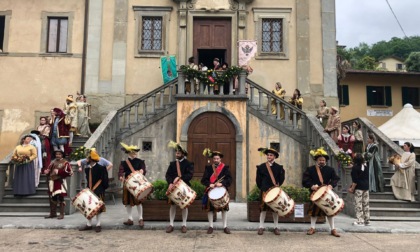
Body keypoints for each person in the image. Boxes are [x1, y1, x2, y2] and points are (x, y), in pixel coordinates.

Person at [302, 147, 341, 237]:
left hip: (327, 193)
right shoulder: (310, 169)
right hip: (315, 194)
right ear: (316, 160)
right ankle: (312, 228)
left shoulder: (330, 169)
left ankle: (333, 229)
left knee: (330, 211)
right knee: (313, 212)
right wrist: (312, 186)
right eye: (320, 160)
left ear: (325, 161)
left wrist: (331, 185)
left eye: (323, 160)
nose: (321, 161)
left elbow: (336, 179)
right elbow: (305, 180)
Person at [165, 141, 194, 233]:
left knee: (184, 206)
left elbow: (190, 175)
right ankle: (171, 224)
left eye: (178, 152)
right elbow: (168, 175)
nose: (177, 153)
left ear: (183, 154)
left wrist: (180, 178)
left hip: (184, 187)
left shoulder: (188, 163)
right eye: (176, 152)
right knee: (172, 206)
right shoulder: (172, 164)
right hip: (173, 187)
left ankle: (184, 225)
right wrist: (170, 182)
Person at [201, 150, 232, 234]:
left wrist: (222, 183)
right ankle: (211, 226)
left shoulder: (225, 168)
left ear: (220, 159)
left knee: (224, 209)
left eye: (217, 158)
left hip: (222, 191)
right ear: (213, 159)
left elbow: (229, 179)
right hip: (211, 191)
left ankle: (225, 226)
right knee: (210, 209)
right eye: (214, 158)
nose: (216, 160)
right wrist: (209, 184)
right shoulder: (208, 168)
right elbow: (203, 180)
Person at [256, 147, 285, 235]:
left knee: (275, 209)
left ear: (275, 157)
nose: (269, 156)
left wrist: (277, 186)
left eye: (271, 155)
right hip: (264, 190)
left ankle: (276, 227)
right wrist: (262, 187)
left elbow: (282, 178)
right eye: (268, 155)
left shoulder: (279, 168)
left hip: (274, 191)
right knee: (263, 209)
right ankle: (261, 227)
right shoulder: (261, 167)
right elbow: (258, 180)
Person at [79, 149, 109, 233]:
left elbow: (105, 180)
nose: (86, 159)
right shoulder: (87, 169)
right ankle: (89, 224)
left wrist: (102, 189)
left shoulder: (101, 168)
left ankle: (98, 224)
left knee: (98, 208)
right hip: (90, 190)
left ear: (91, 159)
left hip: (99, 190)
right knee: (88, 207)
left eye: (88, 158)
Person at [118, 142, 146, 227]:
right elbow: (121, 171)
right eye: (134, 152)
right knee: (128, 202)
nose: (135, 154)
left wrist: (142, 171)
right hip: (128, 183)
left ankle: (140, 218)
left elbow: (144, 169)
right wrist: (120, 176)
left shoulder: (140, 161)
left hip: (137, 183)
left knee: (139, 201)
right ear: (129, 153)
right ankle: (130, 219)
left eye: (136, 152)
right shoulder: (124, 162)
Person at [44, 149, 73, 219]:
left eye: (59, 154)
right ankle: (53, 213)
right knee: (53, 197)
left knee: (60, 197)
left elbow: (69, 172)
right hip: (52, 181)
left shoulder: (65, 162)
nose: (58, 155)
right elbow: (49, 170)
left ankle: (61, 214)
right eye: (57, 154)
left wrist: (59, 171)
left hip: (60, 181)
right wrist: (47, 172)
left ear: (62, 155)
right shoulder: (52, 162)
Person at [350, 153, 370, 226]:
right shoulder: (365, 167)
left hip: (359, 187)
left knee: (358, 204)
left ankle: (360, 220)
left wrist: (352, 188)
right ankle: (367, 220)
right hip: (366, 186)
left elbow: (355, 180)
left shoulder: (355, 168)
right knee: (366, 204)